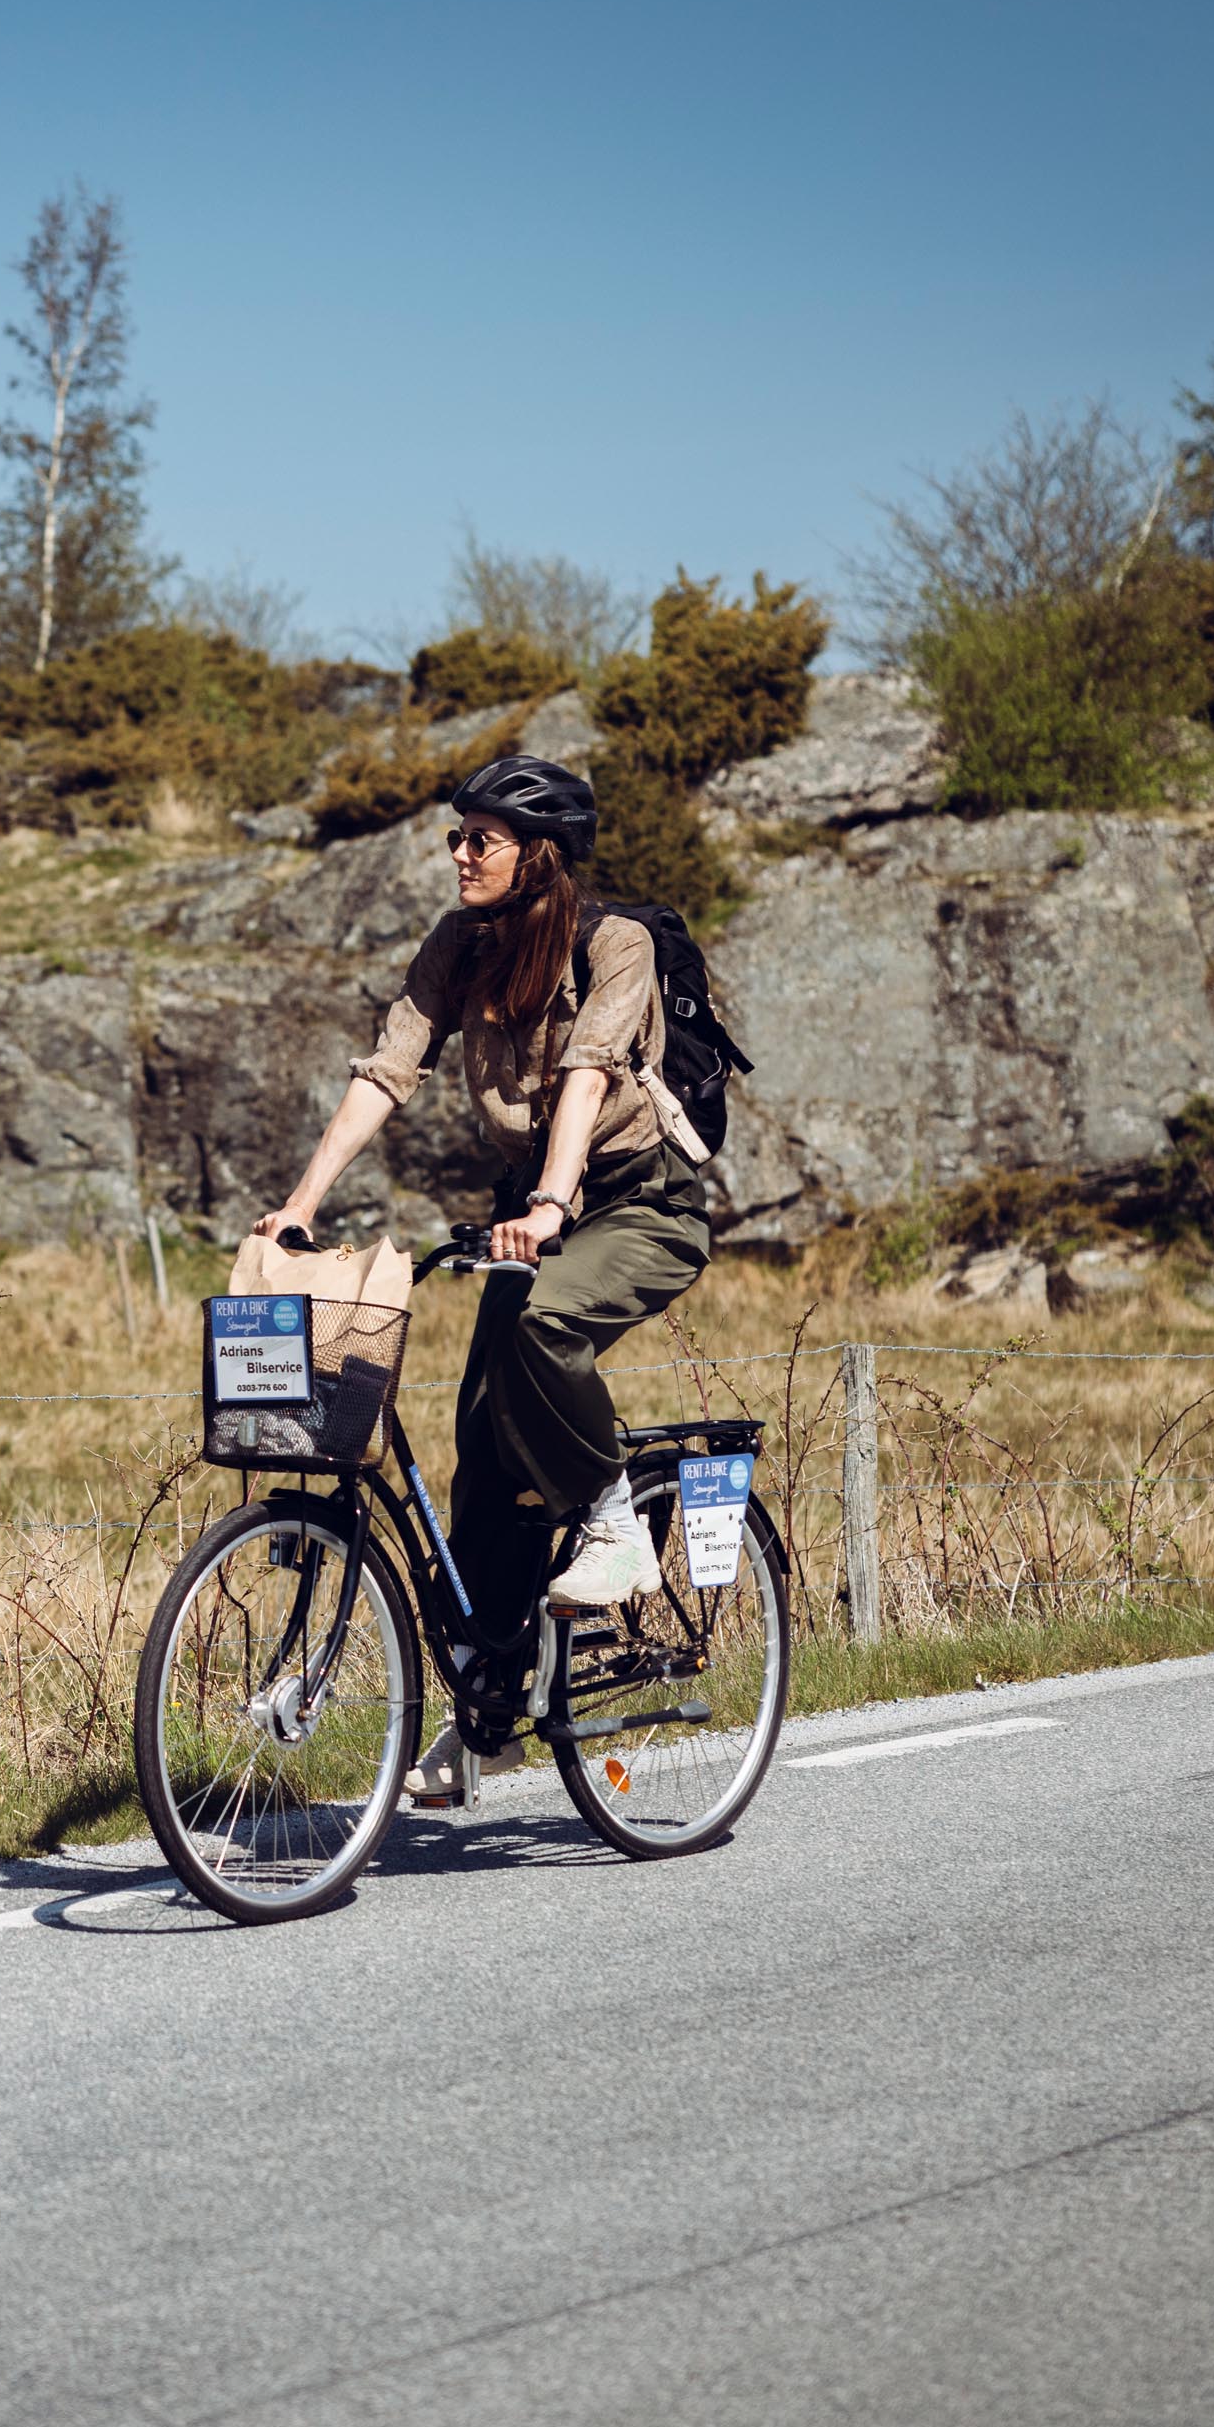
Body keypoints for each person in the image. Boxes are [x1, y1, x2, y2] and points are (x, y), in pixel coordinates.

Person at [248, 752, 715, 1787]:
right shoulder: (458, 945)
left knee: (546, 1324)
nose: (459, 854)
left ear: (536, 855)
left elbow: (588, 1077)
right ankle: (491, 1698)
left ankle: (611, 1521)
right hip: (529, 1209)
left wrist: (553, 1202)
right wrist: (301, 1205)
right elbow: (386, 1073)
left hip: (640, 1201)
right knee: (482, 1449)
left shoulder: (616, 943)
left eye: (481, 839)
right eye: (455, 835)